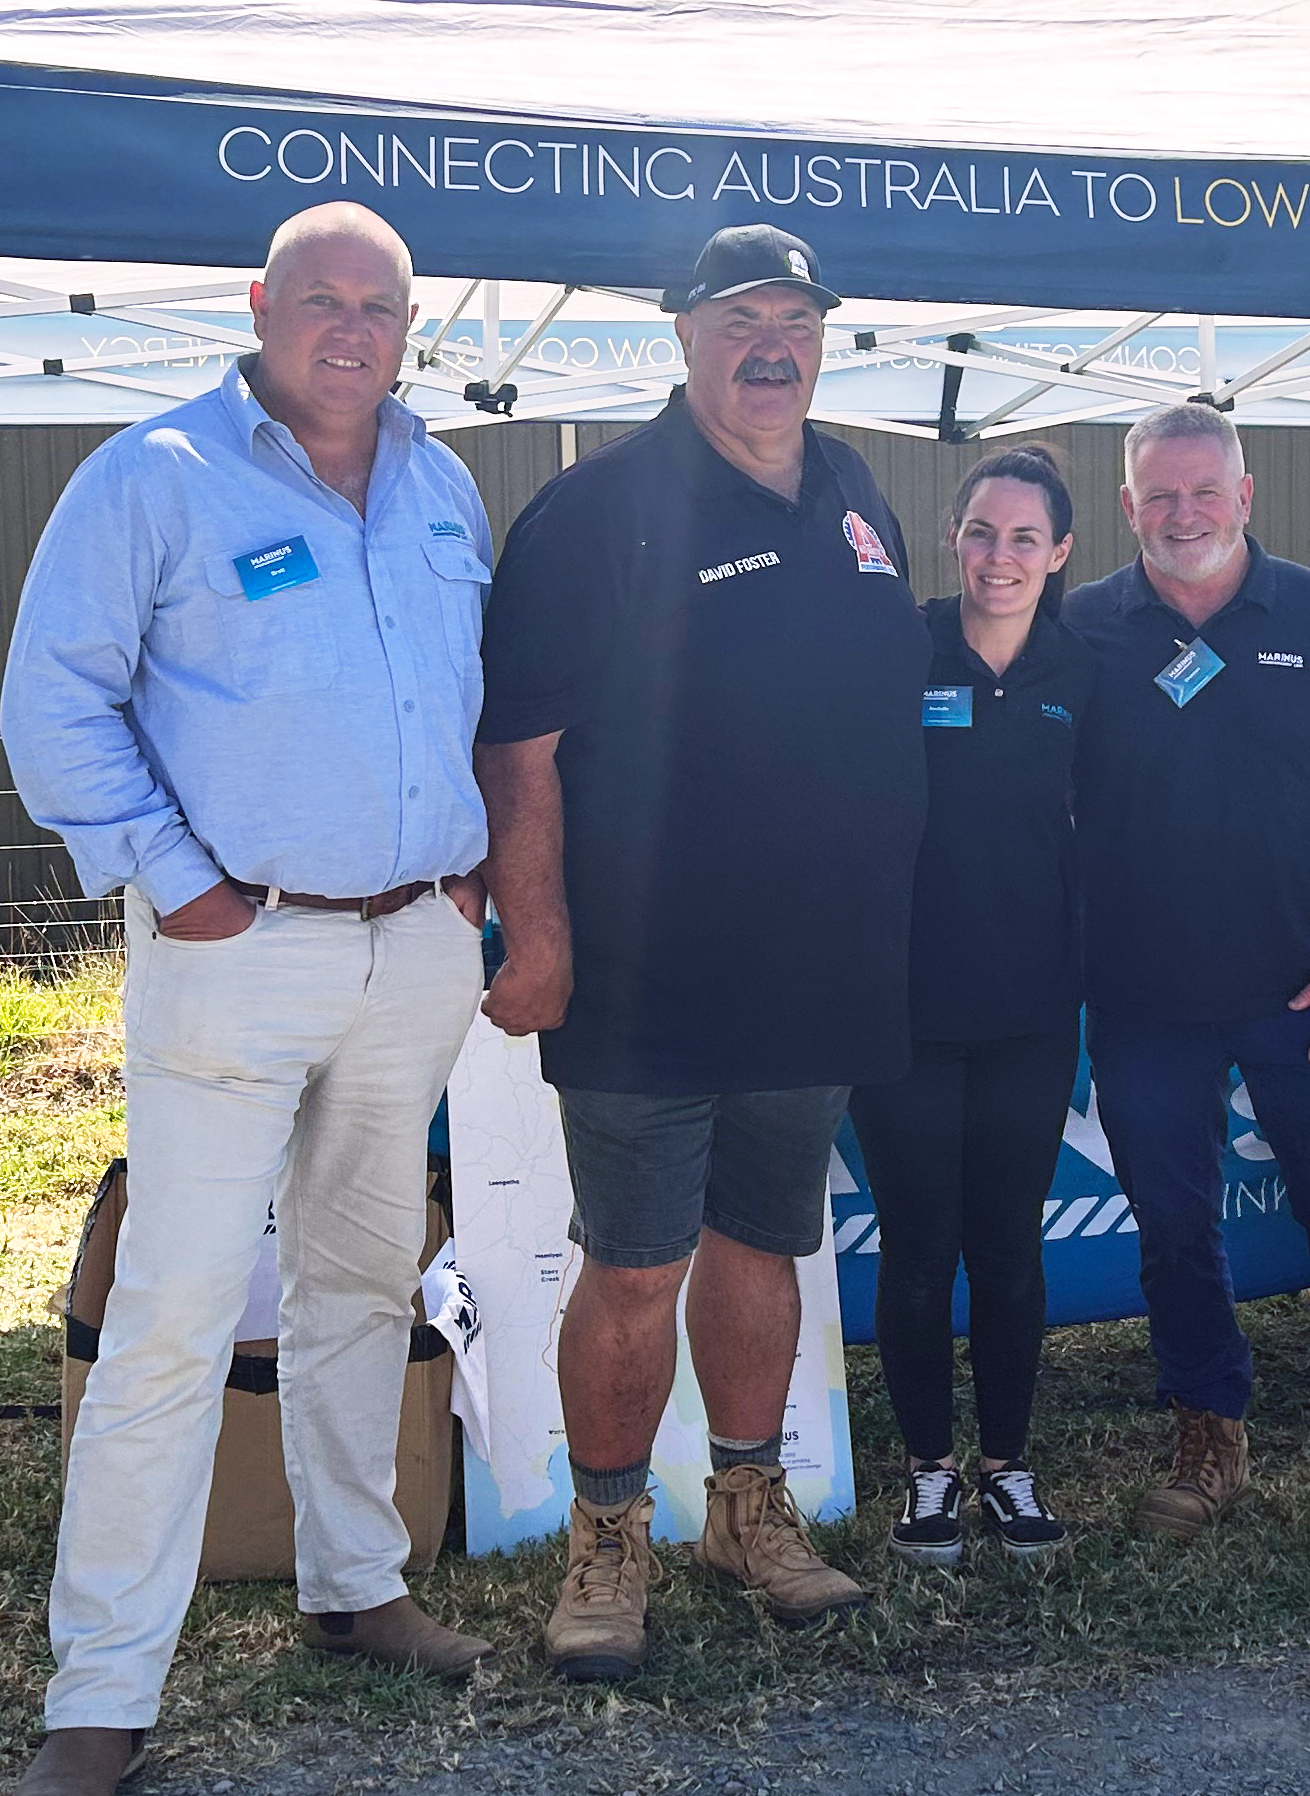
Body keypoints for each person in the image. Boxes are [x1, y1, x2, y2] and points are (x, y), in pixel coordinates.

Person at [0, 202, 494, 1796]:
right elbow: (53, 697)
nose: (352, 330)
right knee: (174, 1316)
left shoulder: (442, 480)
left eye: (382, 307)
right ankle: (104, 1693)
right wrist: (172, 877)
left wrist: (470, 882)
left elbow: (473, 697)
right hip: (238, 946)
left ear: (409, 326)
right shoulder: (155, 475)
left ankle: (357, 1585)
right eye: (324, 301)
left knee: (362, 1283)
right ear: (262, 306)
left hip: (414, 942)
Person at [475, 224, 928, 1681]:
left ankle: (747, 1505)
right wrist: (536, 932)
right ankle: (608, 1537)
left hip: (814, 968)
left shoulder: (857, 491)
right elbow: (520, 746)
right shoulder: (598, 511)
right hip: (643, 977)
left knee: (765, 1247)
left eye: (797, 316)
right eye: (743, 318)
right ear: (683, 338)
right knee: (632, 1267)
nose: (773, 343)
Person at [1065, 401, 1310, 1574]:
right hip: (1139, 997)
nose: (1181, 514)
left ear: (1245, 495)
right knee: (1173, 1228)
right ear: (1127, 504)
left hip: (1305, 989)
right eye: (1157, 495)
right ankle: (1206, 1433)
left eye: (1204, 491)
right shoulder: (1080, 627)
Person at [849, 445, 1094, 1567]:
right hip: (900, 1008)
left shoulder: (1080, 667)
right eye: (984, 532)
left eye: (1025, 538)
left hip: (1031, 1009)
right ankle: (926, 1474)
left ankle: (1005, 1462)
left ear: (1061, 552)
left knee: (1005, 1246)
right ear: (953, 536)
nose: (1002, 557)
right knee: (915, 1247)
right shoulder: (896, 644)